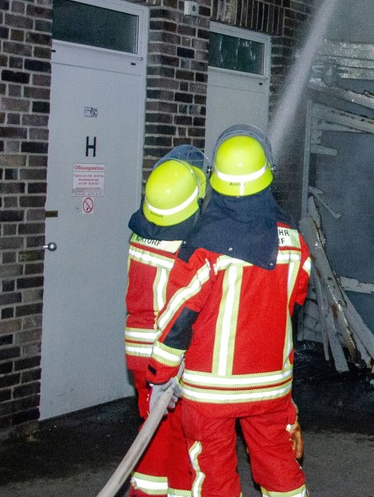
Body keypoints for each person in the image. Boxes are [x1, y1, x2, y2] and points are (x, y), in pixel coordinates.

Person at [148, 125, 310, 497]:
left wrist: (160, 376)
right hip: (271, 384)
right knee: (279, 464)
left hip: (211, 391)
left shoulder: (203, 245)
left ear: (216, 182)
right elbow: (295, 301)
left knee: (214, 474)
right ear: (267, 176)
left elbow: (177, 319)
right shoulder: (294, 241)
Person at [125, 145, 207, 497]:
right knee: (181, 440)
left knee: (155, 435)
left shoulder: (140, 234)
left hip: (138, 353)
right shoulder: (186, 249)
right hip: (168, 355)